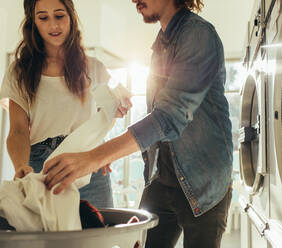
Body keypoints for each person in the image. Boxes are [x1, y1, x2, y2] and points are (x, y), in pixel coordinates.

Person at [44, 0, 233, 246]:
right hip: (162, 176)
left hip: (202, 180)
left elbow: (169, 117)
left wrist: (97, 156)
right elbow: (159, 117)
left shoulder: (198, 35)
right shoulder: (161, 44)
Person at [0, 0, 131, 208]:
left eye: (59, 16)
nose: (53, 25)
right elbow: (18, 130)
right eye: (43, 18)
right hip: (41, 167)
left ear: (71, 17)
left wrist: (116, 110)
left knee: (97, 235)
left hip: (89, 164)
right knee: (48, 238)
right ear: (33, 23)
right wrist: (21, 166)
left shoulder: (94, 68)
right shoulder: (19, 72)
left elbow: (102, 120)